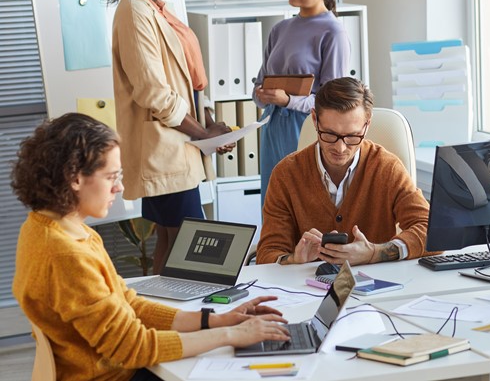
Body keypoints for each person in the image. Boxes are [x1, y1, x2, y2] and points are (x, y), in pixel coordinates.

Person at [12, 113, 289, 381]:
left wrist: (217, 321)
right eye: (111, 176)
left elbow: (128, 304)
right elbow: (133, 347)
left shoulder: (53, 227)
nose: (119, 187)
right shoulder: (65, 254)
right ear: (75, 178)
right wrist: (232, 335)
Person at [108, 0, 233, 274]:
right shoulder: (136, 13)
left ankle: (163, 319)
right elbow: (154, 92)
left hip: (176, 146)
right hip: (164, 148)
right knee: (192, 244)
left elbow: (187, 80)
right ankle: (181, 318)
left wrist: (207, 127)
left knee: (171, 238)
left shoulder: (155, 8)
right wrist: (202, 135)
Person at [256, 77, 430, 266]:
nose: (340, 148)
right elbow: (267, 254)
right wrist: (293, 259)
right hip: (306, 290)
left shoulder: (386, 168)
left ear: (366, 125)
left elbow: (431, 230)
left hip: (375, 288)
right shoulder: (286, 174)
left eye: (353, 136)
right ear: (314, 120)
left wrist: (375, 253)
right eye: (330, 134)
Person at [253, 0, 350, 205]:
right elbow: (259, 83)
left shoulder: (333, 33)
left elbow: (333, 104)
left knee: (304, 207)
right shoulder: (280, 29)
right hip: (272, 128)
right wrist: (261, 94)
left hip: (305, 130)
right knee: (273, 206)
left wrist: (289, 101)